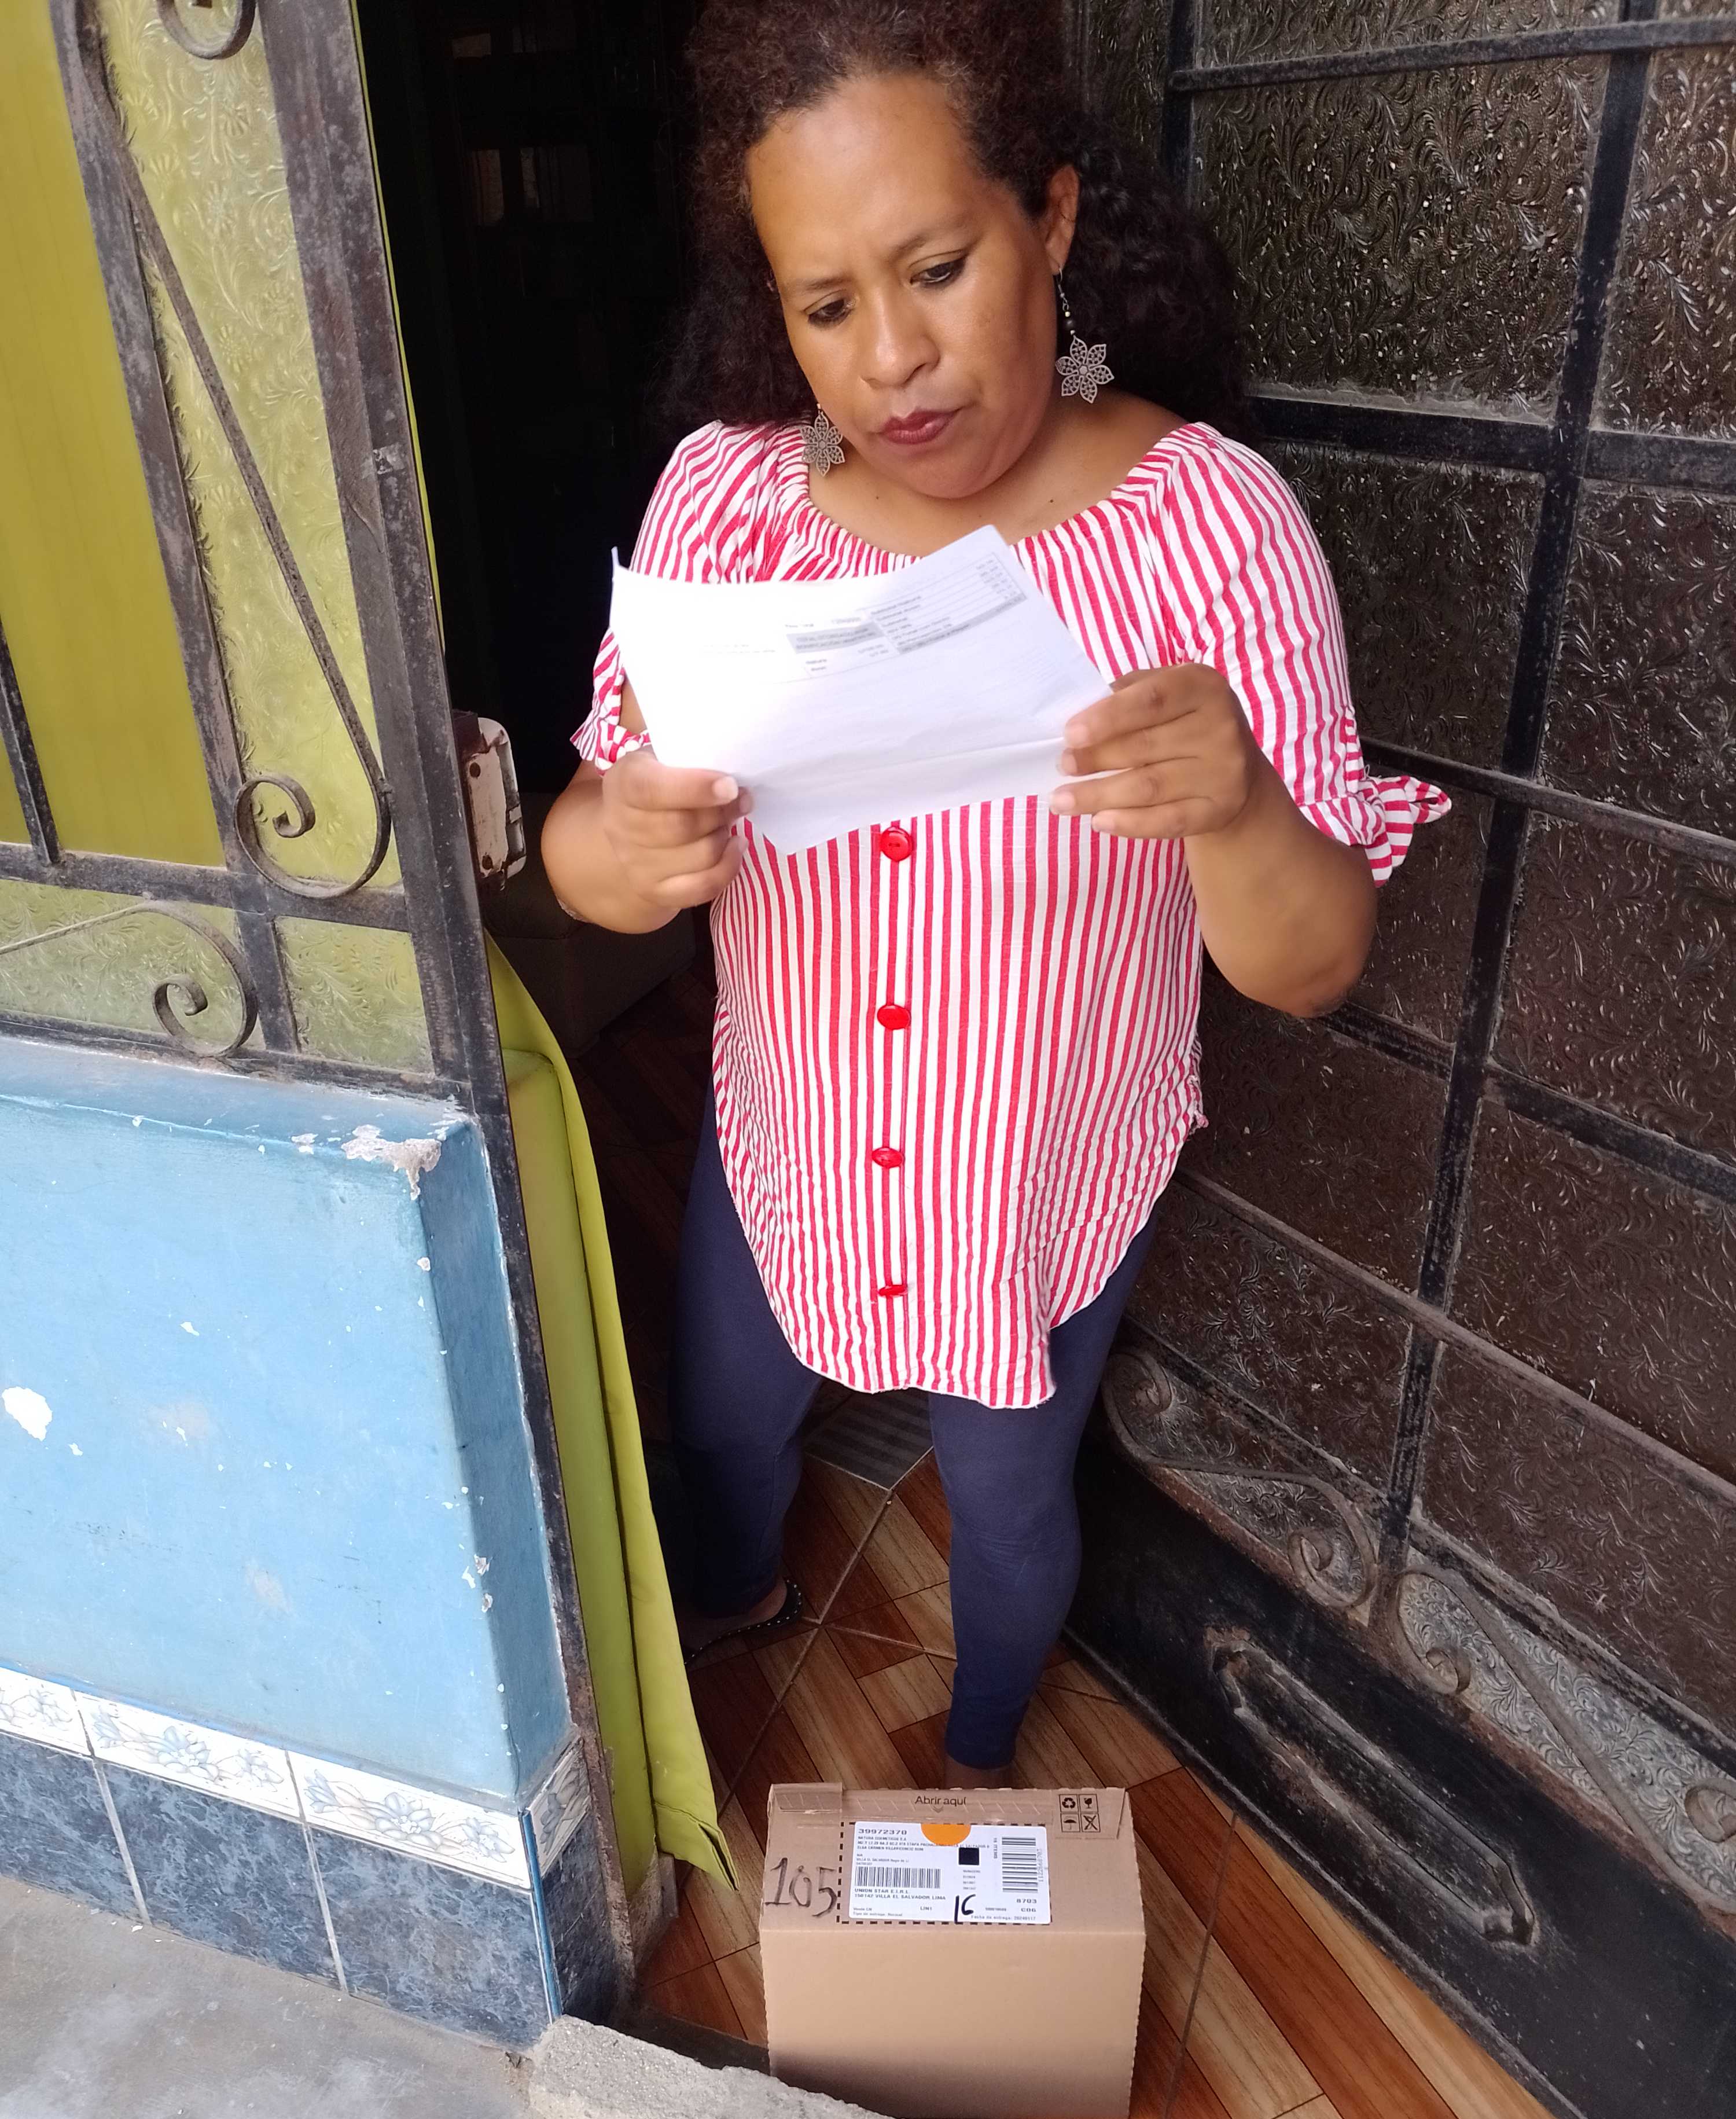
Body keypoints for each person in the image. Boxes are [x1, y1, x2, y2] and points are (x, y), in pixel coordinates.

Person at [542, 0, 1446, 1787]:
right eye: (826, 306)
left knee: (1010, 1491)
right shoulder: (727, 507)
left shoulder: (1208, 533)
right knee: (723, 1422)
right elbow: (589, 839)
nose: (894, 358)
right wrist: (610, 853)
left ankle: (972, 1762)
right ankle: (732, 1596)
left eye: (939, 268)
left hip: (1034, 1175)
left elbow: (1312, 963)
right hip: (785, 1141)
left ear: (1051, 215)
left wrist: (1235, 804)